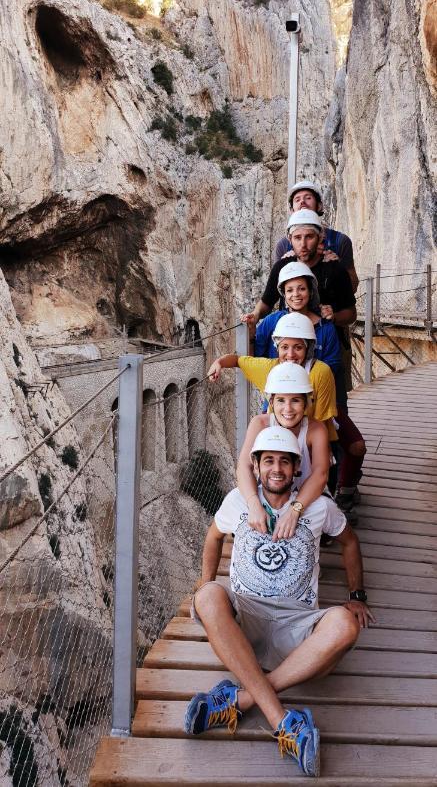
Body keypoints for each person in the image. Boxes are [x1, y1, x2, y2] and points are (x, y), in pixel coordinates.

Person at [184, 426, 373, 778]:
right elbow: (213, 537)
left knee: (345, 624)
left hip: (297, 625)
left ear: (296, 469)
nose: (276, 468)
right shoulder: (238, 502)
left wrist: (356, 596)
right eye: (268, 460)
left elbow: (350, 542)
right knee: (208, 597)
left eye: (284, 462)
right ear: (255, 466)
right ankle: (282, 721)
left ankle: (239, 699)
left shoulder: (319, 507)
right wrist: (203, 582)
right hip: (247, 618)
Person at [208, 315, 366, 524]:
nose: (290, 354)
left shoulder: (320, 372)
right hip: (280, 428)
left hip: (308, 430)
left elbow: (320, 420)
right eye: (285, 347)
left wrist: (322, 452)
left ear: (308, 348)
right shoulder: (269, 373)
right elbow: (238, 360)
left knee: (319, 471)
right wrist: (219, 363)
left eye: (298, 348)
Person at [245, 210, 356, 410]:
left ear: (320, 237)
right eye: (297, 238)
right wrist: (252, 322)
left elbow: (351, 313)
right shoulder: (282, 268)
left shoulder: (335, 269)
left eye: (309, 237)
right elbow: (266, 302)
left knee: (341, 423)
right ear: (290, 240)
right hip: (285, 393)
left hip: (326, 353)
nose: (303, 244)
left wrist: (333, 317)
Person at [274, 180, 358, 293]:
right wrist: (283, 267)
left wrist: (339, 268)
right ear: (292, 210)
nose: (302, 202)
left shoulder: (340, 241)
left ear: (319, 205)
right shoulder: (283, 245)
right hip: (295, 309)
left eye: (308, 198)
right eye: (297, 200)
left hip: (332, 308)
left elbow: (353, 287)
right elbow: (275, 289)